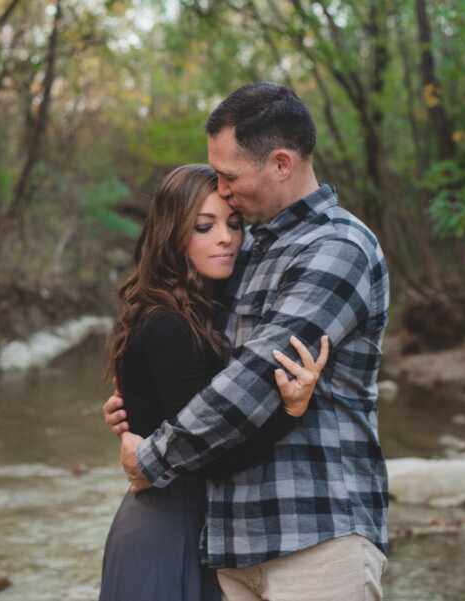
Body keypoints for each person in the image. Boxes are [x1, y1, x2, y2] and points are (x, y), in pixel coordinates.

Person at [103, 82, 390, 601]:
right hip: (231, 545)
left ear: (281, 163)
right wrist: (139, 403)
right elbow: (196, 361)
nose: (223, 190)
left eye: (229, 176)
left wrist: (152, 456)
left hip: (313, 536)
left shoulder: (337, 248)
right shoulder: (250, 246)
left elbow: (256, 379)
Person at [99, 163, 330, 601]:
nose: (226, 238)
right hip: (167, 533)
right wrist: (291, 411)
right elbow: (215, 454)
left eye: (234, 224)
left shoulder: (193, 314)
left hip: (188, 527)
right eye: (204, 227)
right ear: (172, 233)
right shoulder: (169, 323)